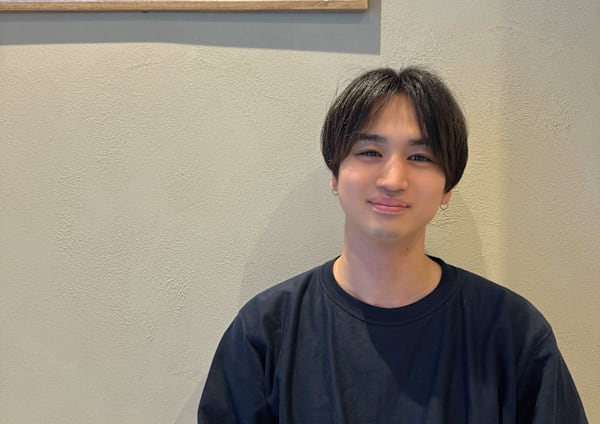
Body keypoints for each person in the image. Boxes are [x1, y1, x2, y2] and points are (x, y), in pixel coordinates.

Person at [198, 67, 588, 423]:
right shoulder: (266, 332)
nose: (393, 179)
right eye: (370, 152)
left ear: (447, 188)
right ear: (335, 173)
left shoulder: (514, 333)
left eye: (420, 156)